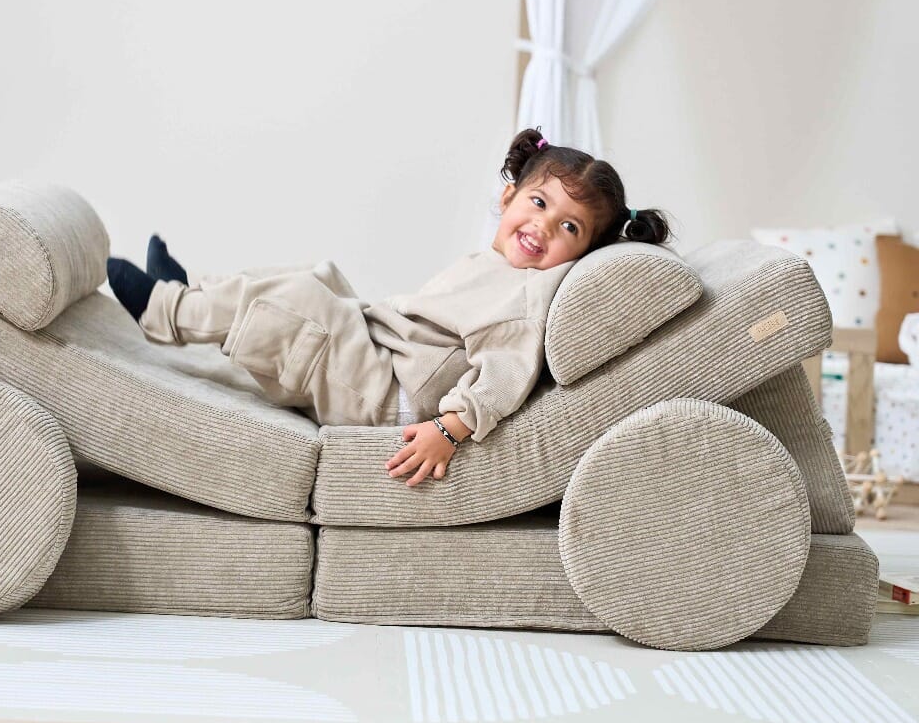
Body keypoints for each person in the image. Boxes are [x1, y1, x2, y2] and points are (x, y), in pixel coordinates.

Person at [107, 127, 671, 488]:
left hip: (387, 399)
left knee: (305, 305)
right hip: (382, 356)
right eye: (538, 203)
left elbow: (503, 373)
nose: (542, 226)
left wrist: (449, 430)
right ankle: (194, 289)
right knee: (321, 278)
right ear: (508, 197)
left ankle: (166, 311)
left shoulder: (528, 296)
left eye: (568, 227)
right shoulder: (498, 267)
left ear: (583, 251)